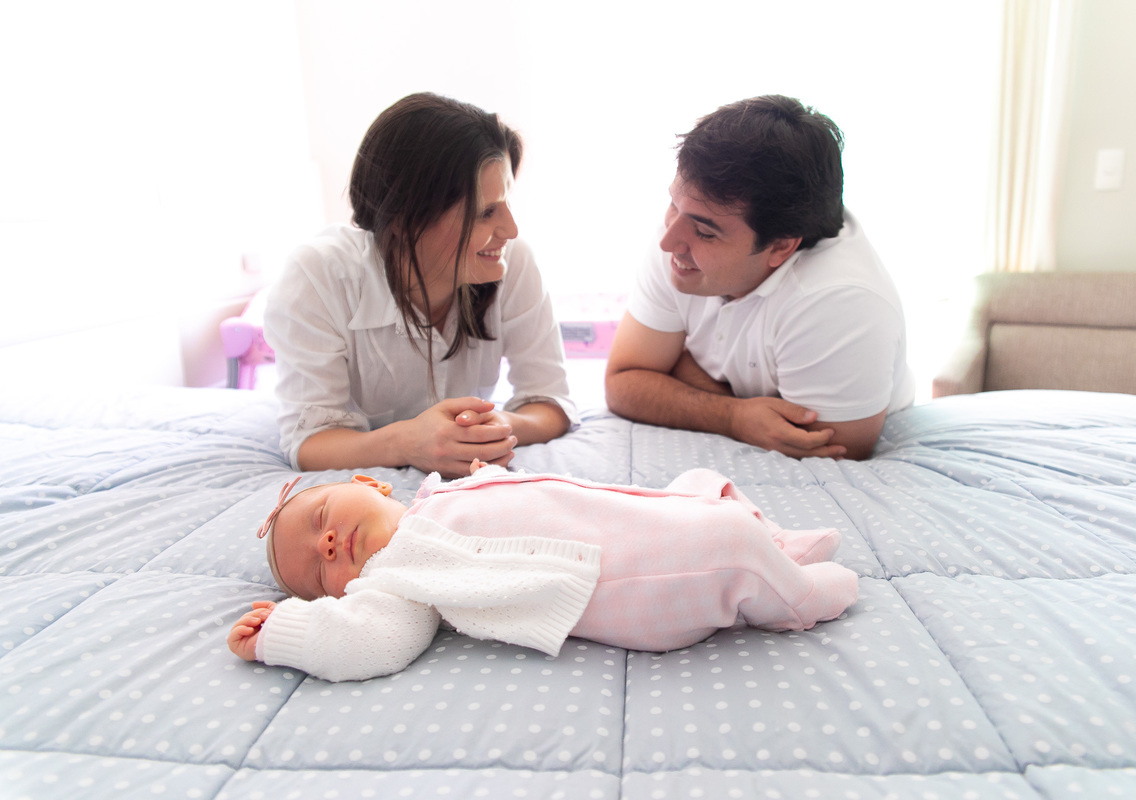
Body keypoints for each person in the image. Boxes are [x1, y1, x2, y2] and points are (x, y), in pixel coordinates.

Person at [227, 464, 859, 682]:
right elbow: (368, 640)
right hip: (628, 580)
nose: (329, 542)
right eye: (317, 569)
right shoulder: (399, 576)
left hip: (631, 519)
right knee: (727, 539)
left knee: (700, 487)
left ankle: (775, 546)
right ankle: (794, 597)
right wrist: (286, 633)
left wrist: (489, 474)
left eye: (320, 519)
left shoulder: (437, 498)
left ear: (368, 483)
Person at [265, 93, 576, 478]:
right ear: (406, 218)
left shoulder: (513, 262)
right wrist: (410, 442)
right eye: (485, 212)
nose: (510, 230)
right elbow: (309, 441)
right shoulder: (317, 277)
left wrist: (487, 427)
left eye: (507, 203)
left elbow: (552, 403)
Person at [605, 95, 915, 461]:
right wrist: (733, 416)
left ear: (781, 246)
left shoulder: (839, 300)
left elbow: (834, 446)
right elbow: (624, 381)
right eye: (674, 204)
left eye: (706, 233)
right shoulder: (684, 235)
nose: (668, 240)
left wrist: (677, 370)